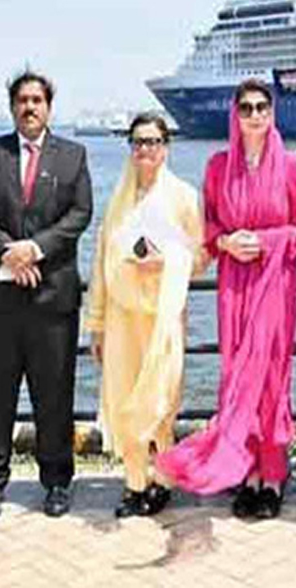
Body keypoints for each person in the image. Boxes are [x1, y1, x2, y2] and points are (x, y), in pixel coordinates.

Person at [155, 79, 296, 520]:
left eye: (262, 107)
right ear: (235, 114)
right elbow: (208, 227)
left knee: (271, 377)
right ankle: (247, 471)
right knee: (238, 375)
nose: (255, 115)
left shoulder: (291, 167)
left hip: (274, 286)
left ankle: (272, 474)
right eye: (246, 108)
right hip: (234, 286)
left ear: (272, 113)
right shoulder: (217, 167)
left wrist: (265, 241)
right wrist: (225, 243)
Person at [0, 70, 92, 521]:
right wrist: (8, 251)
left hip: (52, 301)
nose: (30, 107)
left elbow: (80, 213)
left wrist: (34, 249)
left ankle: (56, 480)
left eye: (37, 100)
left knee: (53, 395)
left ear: (49, 107)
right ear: (12, 107)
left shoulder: (73, 156)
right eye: (22, 100)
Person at [84, 113, 203, 518]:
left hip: (164, 318)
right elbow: (101, 263)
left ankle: (163, 480)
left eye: (153, 141)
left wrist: (167, 260)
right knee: (125, 398)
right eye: (138, 142)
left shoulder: (183, 196)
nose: (145, 149)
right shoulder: (119, 200)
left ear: (165, 147)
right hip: (122, 318)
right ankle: (134, 482)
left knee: (161, 400)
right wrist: (96, 325)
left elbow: (201, 256)